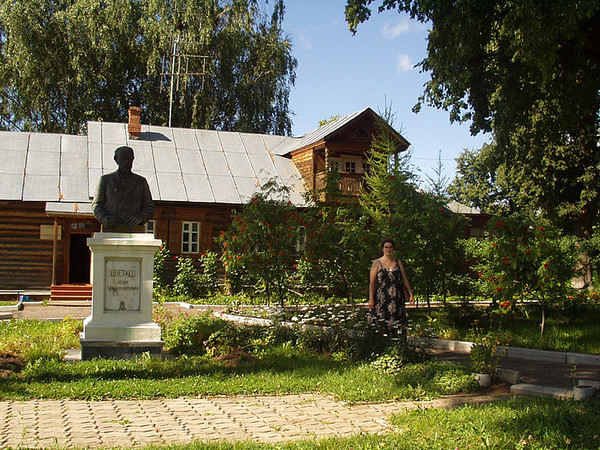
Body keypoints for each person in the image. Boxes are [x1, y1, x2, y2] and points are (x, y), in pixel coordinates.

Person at [92, 146, 155, 232]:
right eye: (123, 159)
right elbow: (97, 204)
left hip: (134, 228)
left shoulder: (141, 182)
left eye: (129, 159)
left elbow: (149, 207)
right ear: (116, 160)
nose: (126, 162)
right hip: (112, 228)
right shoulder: (105, 180)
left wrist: (139, 218)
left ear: (133, 159)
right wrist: (104, 218)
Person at [369, 238, 414, 336]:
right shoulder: (377, 263)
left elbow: (404, 279)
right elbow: (372, 282)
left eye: (390, 247)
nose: (388, 249)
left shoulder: (398, 262)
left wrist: (411, 294)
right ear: (382, 249)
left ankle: (397, 344)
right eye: (386, 247)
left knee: (397, 322)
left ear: (393, 249)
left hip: (396, 297)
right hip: (381, 298)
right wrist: (371, 299)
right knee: (381, 321)